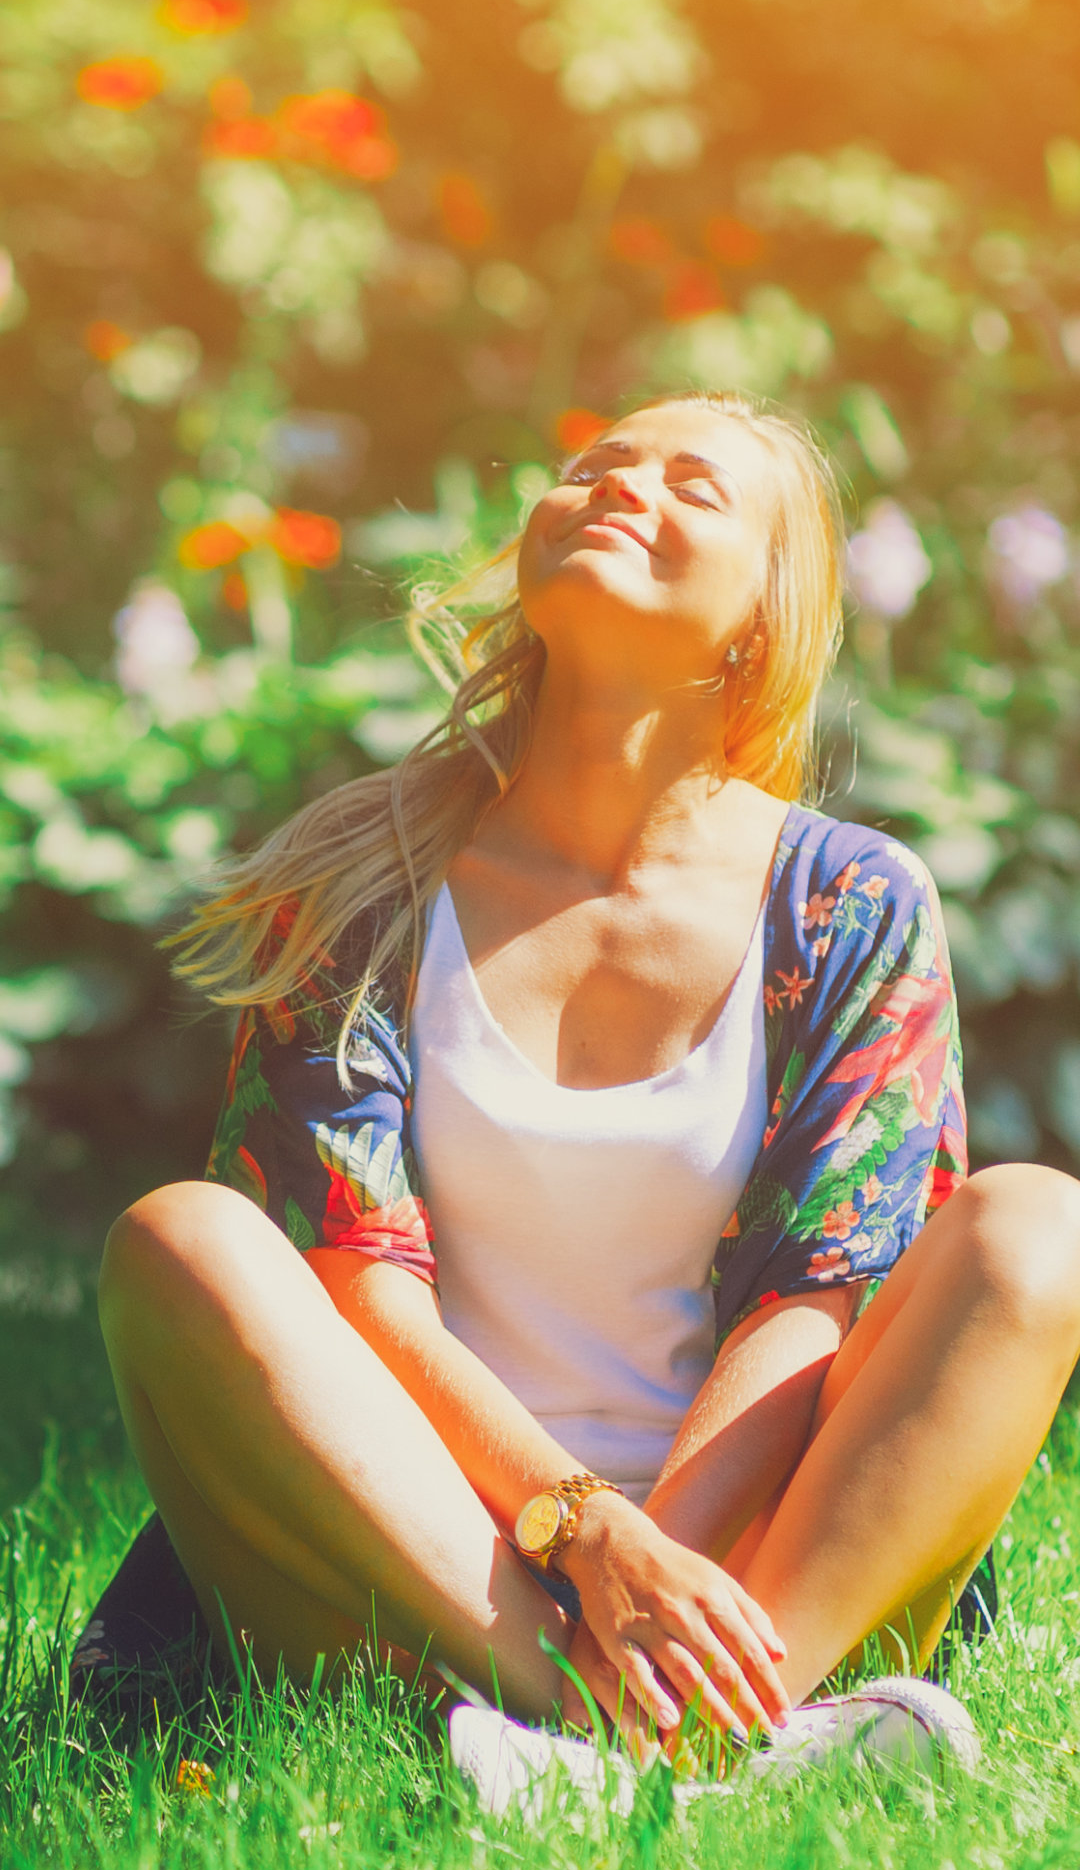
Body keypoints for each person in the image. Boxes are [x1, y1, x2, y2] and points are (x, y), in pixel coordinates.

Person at [80, 390, 1080, 1770]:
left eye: (692, 486)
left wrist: (662, 1562)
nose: (620, 488)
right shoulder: (363, 879)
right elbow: (351, 1280)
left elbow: (820, 1297)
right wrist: (576, 1529)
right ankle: (601, 1726)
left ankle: (706, 1721)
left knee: (1043, 1229)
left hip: (752, 1564)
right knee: (179, 1238)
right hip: (423, 1541)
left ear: (762, 615)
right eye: (595, 469)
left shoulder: (850, 902)